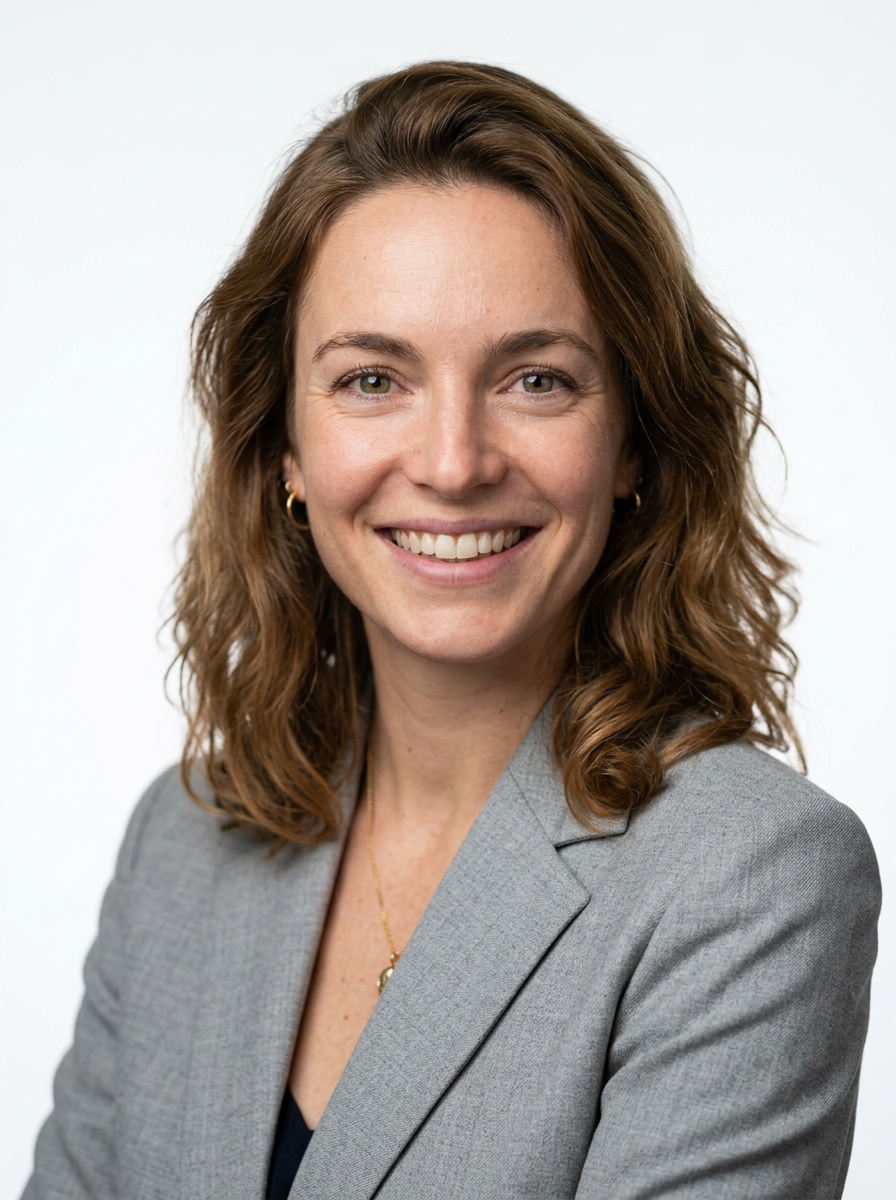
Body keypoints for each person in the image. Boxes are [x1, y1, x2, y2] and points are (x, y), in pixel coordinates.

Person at [24, 61, 879, 1200]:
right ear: (283, 449)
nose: (450, 463)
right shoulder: (183, 845)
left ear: (633, 442)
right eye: (372, 379)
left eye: (534, 378)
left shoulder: (750, 876)